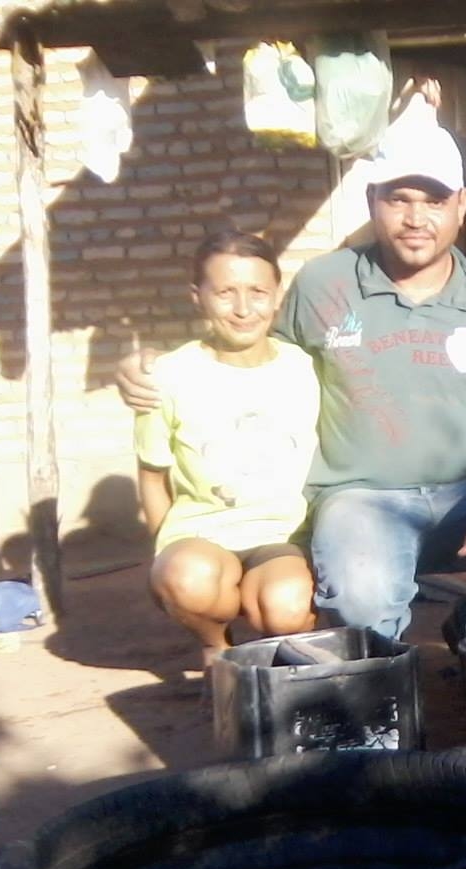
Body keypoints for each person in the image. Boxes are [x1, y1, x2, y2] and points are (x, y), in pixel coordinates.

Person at [120, 89, 466, 647]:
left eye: (432, 201)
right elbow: (253, 356)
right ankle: (380, 701)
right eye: (398, 198)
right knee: (362, 599)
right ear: (371, 200)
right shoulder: (322, 284)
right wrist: (151, 369)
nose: (415, 218)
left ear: (461, 205)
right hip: (357, 502)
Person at [135, 230, 319, 668]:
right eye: (225, 292)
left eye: (257, 292)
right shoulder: (167, 375)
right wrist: (168, 552)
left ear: (278, 296)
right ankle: (216, 645)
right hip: (201, 535)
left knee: (287, 605)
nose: (242, 309)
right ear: (197, 297)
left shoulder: (303, 367)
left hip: (282, 536)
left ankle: (280, 663)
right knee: (186, 577)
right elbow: (151, 474)